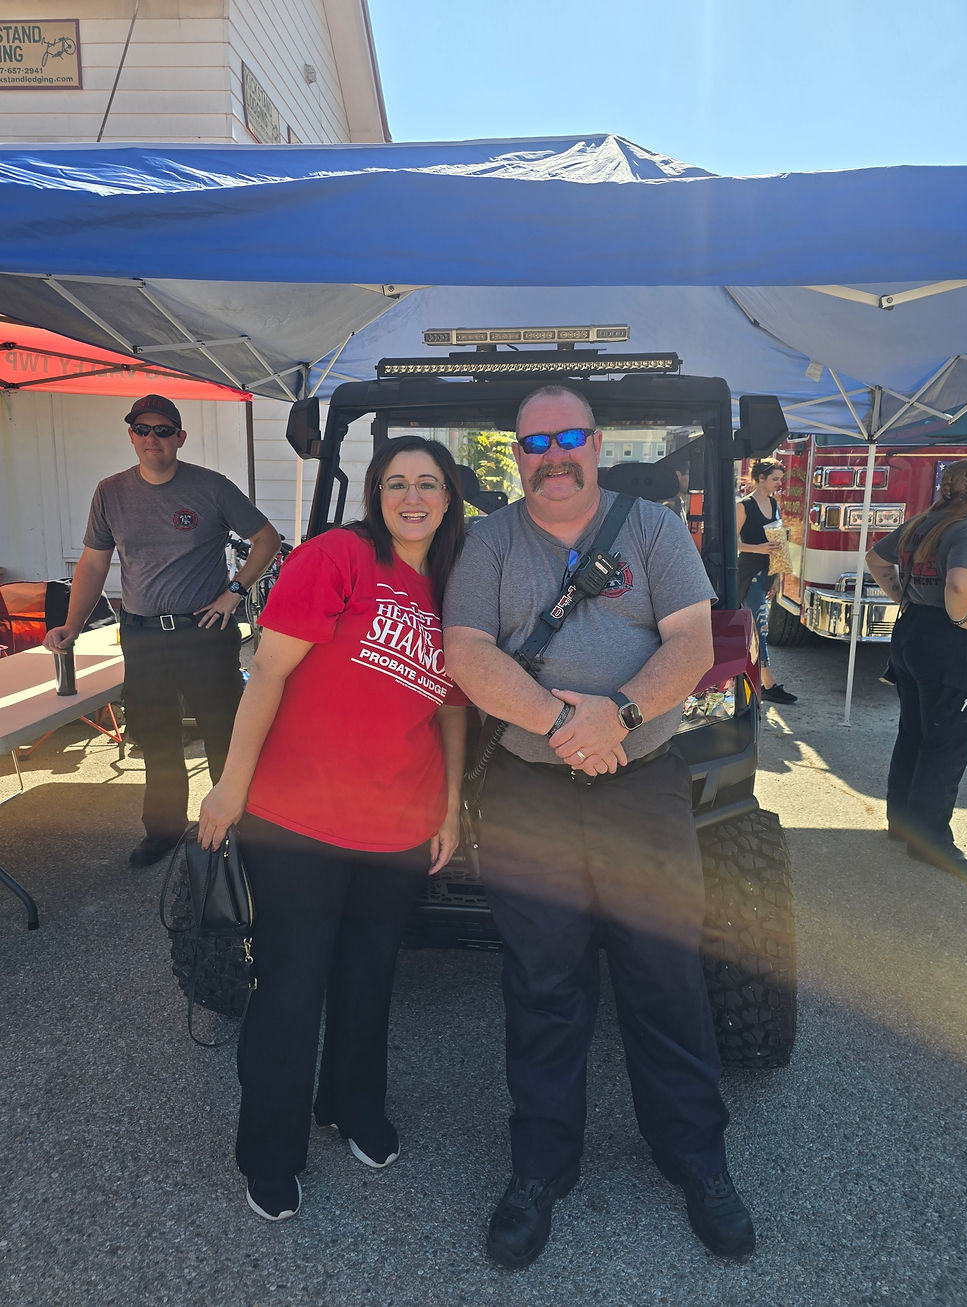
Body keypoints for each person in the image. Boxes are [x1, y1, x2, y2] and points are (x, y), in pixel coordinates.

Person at [443, 385, 754, 1269]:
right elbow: (465, 653)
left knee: (665, 974)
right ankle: (540, 1168)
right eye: (535, 441)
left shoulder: (653, 529)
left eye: (569, 436)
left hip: (642, 781)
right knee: (543, 983)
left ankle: (697, 1159)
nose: (554, 454)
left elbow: (691, 643)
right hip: (530, 790)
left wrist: (613, 718)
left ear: (598, 440)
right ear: (517, 452)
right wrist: (558, 724)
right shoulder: (492, 541)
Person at [197, 435, 468, 1223]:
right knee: (290, 988)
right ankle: (270, 1152)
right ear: (375, 494)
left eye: (427, 484)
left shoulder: (455, 585)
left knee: (368, 977)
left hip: (399, 821)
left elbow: (453, 705)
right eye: (395, 483)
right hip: (297, 820)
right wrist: (229, 787)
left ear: (450, 497)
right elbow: (268, 674)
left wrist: (450, 807)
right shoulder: (338, 556)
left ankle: (353, 1109)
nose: (411, 497)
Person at [44, 394, 280, 866]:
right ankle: (164, 831)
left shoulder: (211, 487)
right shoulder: (110, 492)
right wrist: (72, 623)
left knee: (223, 732)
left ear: (180, 437)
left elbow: (266, 539)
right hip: (142, 633)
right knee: (156, 735)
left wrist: (234, 591)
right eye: (143, 428)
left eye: (164, 430)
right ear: (131, 434)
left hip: (204, 630)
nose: (153, 438)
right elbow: (94, 561)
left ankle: (236, 826)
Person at [865, 459, 967, 880]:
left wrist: (902, 595)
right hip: (949, 643)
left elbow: (875, 559)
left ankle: (904, 824)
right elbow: (961, 586)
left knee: (914, 731)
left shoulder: (921, 523)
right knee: (946, 742)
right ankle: (929, 842)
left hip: (911, 631)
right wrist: (960, 617)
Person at [736, 458, 798, 705]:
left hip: (766, 574)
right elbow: (731, 543)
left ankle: (750, 680)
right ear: (760, 478)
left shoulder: (773, 503)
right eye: (775, 478)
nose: (779, 483)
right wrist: (758, 548)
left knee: (753, 629)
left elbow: (779, 542)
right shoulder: (744, 506)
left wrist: (776, 578)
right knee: (760, 629)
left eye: (780, 479)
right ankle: (768, 685)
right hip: (749, 573)